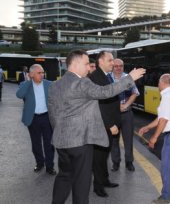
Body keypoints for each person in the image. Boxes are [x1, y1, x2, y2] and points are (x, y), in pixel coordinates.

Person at [48, 49, 145, 204]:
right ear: (76, 63)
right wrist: (130, 79)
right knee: (81, 183)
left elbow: (52, 115)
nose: (88, 68)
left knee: (64, 176)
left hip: (61, 141)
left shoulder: (55, 84)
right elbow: (105, 92)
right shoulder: (82, 82)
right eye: (86, 64)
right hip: (80, 142)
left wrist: (59, 132)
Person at [139, 74, 170, 204]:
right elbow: (161, 117)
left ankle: (166, 198)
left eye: (158, 83)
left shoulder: (167, 97)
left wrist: (154, 138)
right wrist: (148, 127)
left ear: (162, 83)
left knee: (168, 168)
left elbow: (163, 120)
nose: (157, 85)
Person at [88, 51, 121, 197]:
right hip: (102, 125)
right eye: (110, 60)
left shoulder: (105, 76)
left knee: (105, 154)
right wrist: (110, 124)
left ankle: (105, 180)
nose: (113, 63)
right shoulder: (95, 77)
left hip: (109, 124)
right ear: (101, 61)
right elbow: (99, 105)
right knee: (99, 157)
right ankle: (98, 186)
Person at [16, 64, 56, 175]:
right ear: (32, 74)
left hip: (47, 117)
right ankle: (40, 163)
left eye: (43, 72)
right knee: (36, 143)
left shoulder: (49, 84)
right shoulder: (26, 85)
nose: (42, 75)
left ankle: (49, 166)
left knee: (49, 143)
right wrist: (29, 81)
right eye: (39, 73)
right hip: (33, 118)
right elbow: (19, 95)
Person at [110, 58, 140, 172]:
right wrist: (116, 107)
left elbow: (135, 93)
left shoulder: (128, 77)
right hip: (113, 114)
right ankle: (116, 162)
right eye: (116, 66)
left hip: (127, 114)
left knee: (128, 140)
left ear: (123, 66)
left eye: (120, 66)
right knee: (114, 140)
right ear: (113, 66)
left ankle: (129, 162)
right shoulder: (108, 78)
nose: (118, 68)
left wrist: (126, 104)